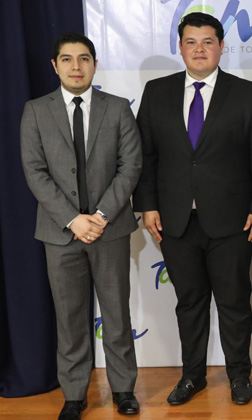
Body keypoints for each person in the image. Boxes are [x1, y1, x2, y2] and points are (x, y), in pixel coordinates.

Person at [132, 12, 252, 405]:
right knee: (189, 304)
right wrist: (147, 206)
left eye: (208, 42)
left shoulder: (248, 93)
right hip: (174, 220)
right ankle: (192, 377)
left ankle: (239, 376)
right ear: (180, 47)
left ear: (221, 46)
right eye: (191, 42)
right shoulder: (156, 91)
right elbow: (145, 156)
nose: (199, 49)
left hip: (233, 221)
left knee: (234, 302)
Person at [20, 33, 142, 419]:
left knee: (117, 315)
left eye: (84, 58)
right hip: (60, 233)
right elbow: (35, 171)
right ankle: (74, 394)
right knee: (70, 318)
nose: (76, 66)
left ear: (94, 64)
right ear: (55, 66)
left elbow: (130, 166)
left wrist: (100, 217)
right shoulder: (35, 111)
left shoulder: (118, 108)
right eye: (67, 59)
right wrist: (74, 220)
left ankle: (123, 390)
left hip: (110, 230)